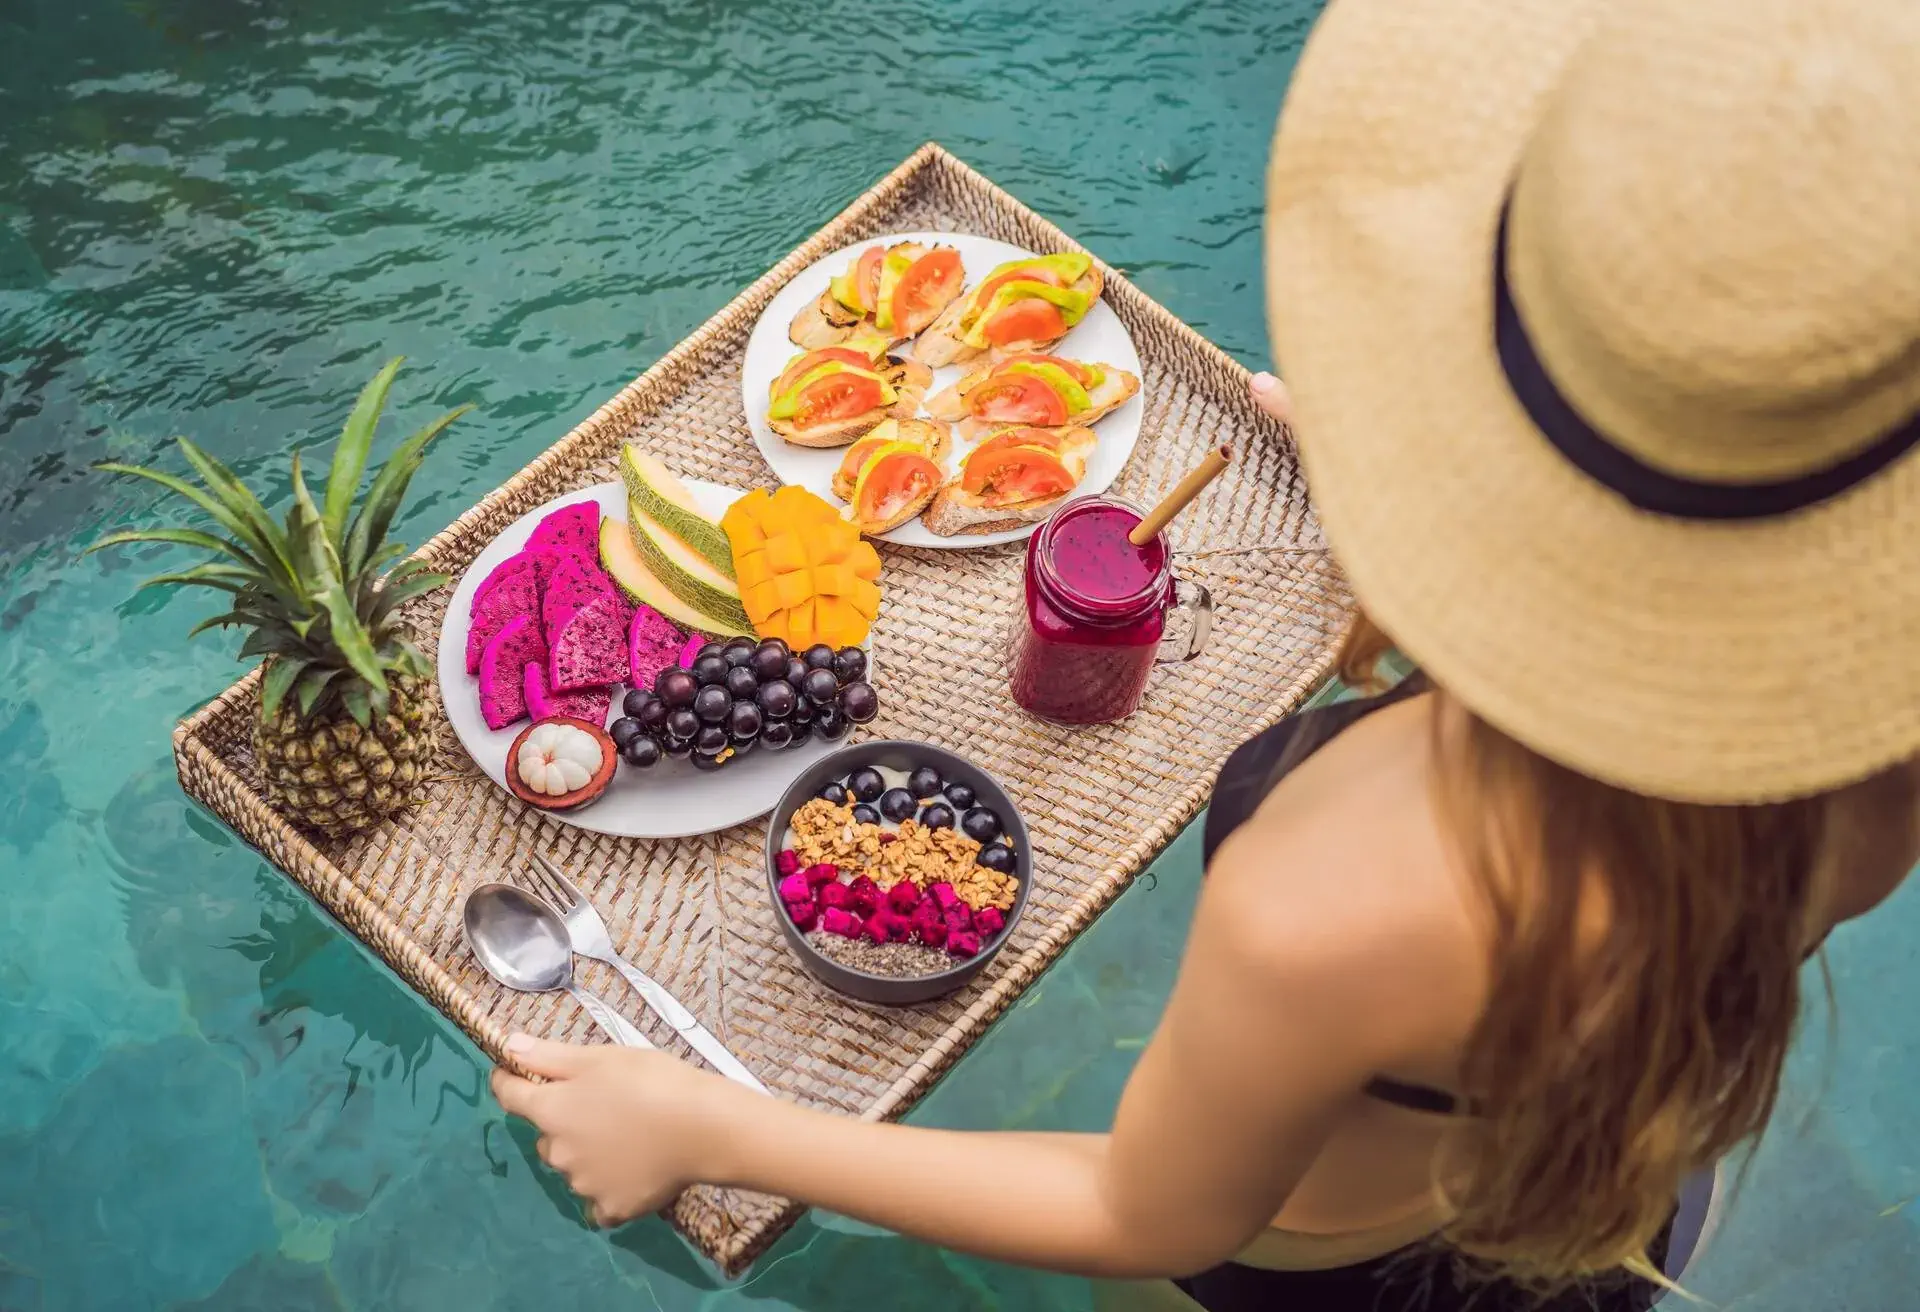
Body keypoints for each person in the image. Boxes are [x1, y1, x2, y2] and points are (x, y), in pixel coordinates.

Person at [490, 0, 1920, 1306]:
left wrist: (719, 1129)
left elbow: (1142, 1211)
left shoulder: (1339, 893)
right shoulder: (1876, 739)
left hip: (1315, 1269)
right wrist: (1435, 523)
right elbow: (1665, 680)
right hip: (1620, 1191)